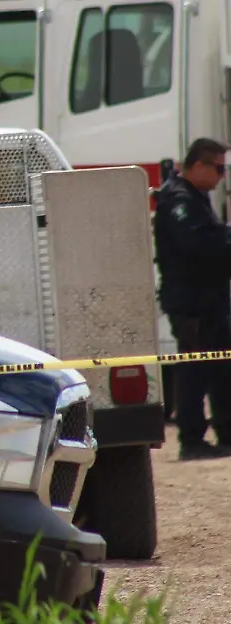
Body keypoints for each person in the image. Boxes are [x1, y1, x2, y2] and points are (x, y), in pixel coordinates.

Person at [154, 137, 231, 461]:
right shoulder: (179, 200)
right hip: (192, 304)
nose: (222, 175)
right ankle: (192, 440)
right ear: (198, 166)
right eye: (218, 168)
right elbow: (199, 246)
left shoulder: (195, 197)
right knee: (195, 372)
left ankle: (225, 434)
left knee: (220, 371)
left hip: (208, 301)